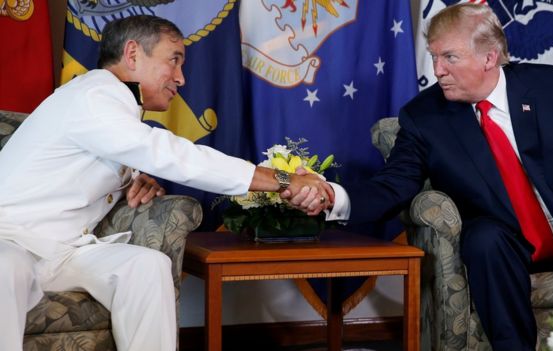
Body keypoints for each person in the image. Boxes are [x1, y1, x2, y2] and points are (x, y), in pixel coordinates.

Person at [285, 3, 553, 350]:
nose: (438, 71)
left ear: (489, 58)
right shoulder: (424, 117)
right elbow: (393, 186)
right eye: (433, 57)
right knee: (484, 237)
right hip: (505, 245)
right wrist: (331, 195)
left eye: (449, 58)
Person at [0, 15, 331, 351]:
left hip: (62, 251)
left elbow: (116, 153)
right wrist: (282, 179)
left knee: (147, 266)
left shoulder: (118, 105)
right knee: (4, 266)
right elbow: (169, 153)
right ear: (132, 54)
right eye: (173, 60)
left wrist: (133, 177)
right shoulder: (93, 95)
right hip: (9, 241)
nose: (181, 78)